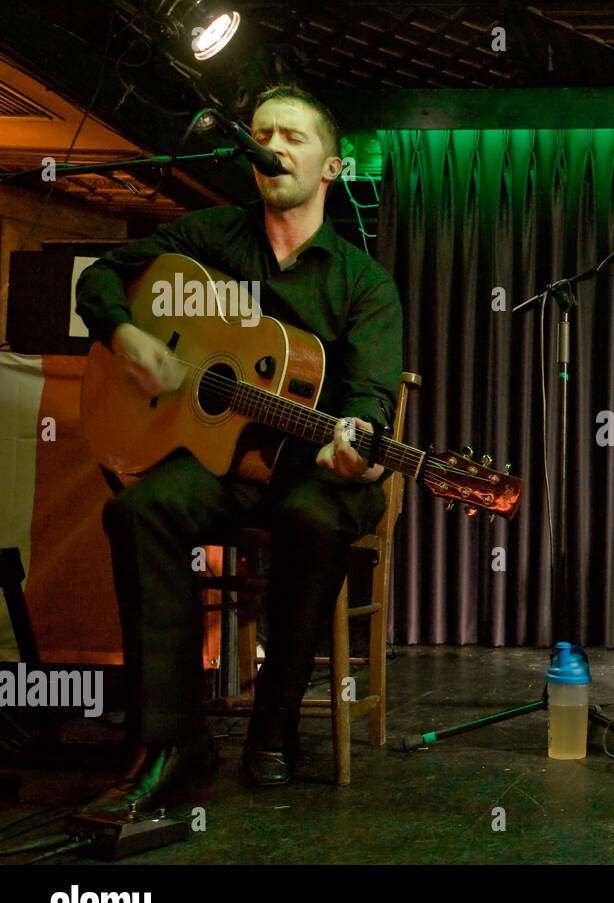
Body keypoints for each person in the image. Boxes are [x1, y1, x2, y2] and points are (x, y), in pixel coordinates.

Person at [76, 85, 403, 806]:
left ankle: (275, 726)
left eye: (292, 135)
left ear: (332, 168)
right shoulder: (209, 236)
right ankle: (171, 739)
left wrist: (353, 444)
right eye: (262, 132)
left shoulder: (363, 283)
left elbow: (370, 401)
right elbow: (102, 276)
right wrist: (126, 334)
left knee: (314, 520)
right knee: (137, 512)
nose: (273, 145)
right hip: (225, 462)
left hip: (316, 470)